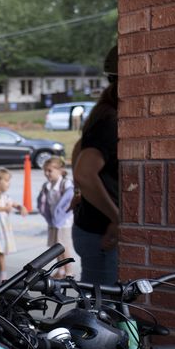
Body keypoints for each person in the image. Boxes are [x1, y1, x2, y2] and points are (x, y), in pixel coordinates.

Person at [72, 46, 119, 285]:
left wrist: (78, 192)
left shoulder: (101, 114)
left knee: (96, 306)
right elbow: (84, 172)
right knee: (109, 312)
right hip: (102, 233)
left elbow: (78, 149)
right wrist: (117, 217)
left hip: (90, 228)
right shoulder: (111, 120)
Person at [36, 156, 74, 278]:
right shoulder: (47, 186)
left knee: (64, 246)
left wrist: (61, 214)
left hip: (64, 221)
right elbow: (43, 202)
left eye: (50, 171)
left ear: (61, 170)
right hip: (53, 221)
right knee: (56, 247)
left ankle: (69, 272)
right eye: (45, 171)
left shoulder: (65, 184)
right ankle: (61, 270)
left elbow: (68, 200)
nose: (47, 174)